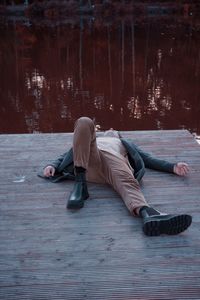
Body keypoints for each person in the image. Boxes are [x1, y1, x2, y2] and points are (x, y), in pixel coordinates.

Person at [42, 117, 192, 236]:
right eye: (110, 130)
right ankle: (81, 186)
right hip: (89, 164)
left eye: (114, 130)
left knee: (126, 182)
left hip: (115, 163)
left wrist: (172, 167)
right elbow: (67, 154)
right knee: (84, 121)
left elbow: (148, 159)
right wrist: (53, 165)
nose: (111, 130)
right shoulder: (93, 139)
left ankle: (147, 213)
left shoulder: (122, 142)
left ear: (118, 134)